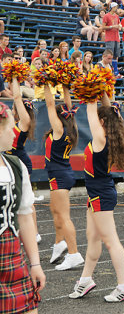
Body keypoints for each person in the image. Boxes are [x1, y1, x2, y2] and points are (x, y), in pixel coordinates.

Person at [69, 94, 124, 302]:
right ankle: (86, 279)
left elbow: (91, 112)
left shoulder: (100, 139)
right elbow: (108, 112)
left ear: (102, 122)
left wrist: (90, 91)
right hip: (97, 195)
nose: (94, 122)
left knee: (111, 241)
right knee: (93, 238)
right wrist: (103, 92)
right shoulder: (107, 134)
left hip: (101, 195)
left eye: (98, 120)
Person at [0, 102, 46, 314]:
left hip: (12, 256)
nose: (14, 133)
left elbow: (25, 217)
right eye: (10, 127)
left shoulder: (15, 165)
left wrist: (35, 264)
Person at [43, 83, 84, 270]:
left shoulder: (59, 129)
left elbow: (50, 105)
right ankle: (60, 243)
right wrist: (66, 86)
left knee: (64, 216)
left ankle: (74, 253)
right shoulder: (71, 127)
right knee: (55, 211)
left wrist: (46, 83)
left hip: (59, 175)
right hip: (60, 174)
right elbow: (67, 105)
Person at [6, 78, 41, 243]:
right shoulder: (13, 122)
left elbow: (17, 98)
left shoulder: (24, 123)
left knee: (27, 199)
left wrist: (14, 76)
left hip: (20, 164)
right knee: (17, 198)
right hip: (11, 163)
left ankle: (35, 233)